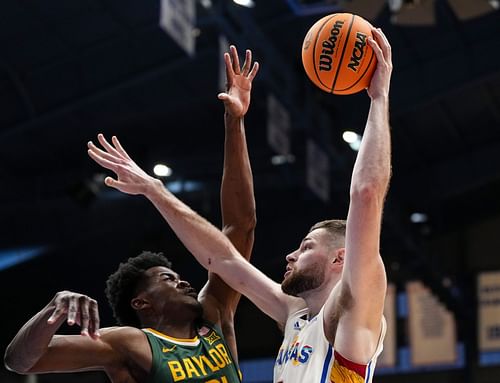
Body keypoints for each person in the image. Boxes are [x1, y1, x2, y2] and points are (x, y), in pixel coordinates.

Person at [84, 28, 392, 383]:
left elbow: (367, 193)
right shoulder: (294, 312)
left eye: (307, 247)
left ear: (341, 258)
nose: (290, 255)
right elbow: (223, 259)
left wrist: (379, 97)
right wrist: (155, 191)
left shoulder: (353, 307)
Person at [4, 45, 259, 383]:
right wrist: (54, 308)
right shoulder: (129, 344)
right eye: (166, 279)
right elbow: (20, 361)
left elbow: (240, 227)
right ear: (141, 304)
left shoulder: (214, 317)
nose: (183, 280)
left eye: (175, 276)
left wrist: (234, 122)